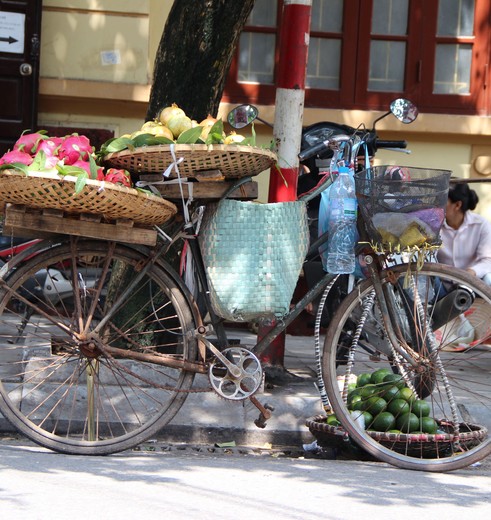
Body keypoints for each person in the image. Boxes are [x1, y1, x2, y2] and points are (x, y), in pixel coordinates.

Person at [437, 183, 491, 286]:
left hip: (472, 285)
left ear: (457, 205)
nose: (437, 204)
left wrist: (472, 272)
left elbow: (488, 261)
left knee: (489, 278)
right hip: (441, 287)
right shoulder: (434, 225)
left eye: (442, 200)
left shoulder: (481, 225)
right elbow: (427, 256)